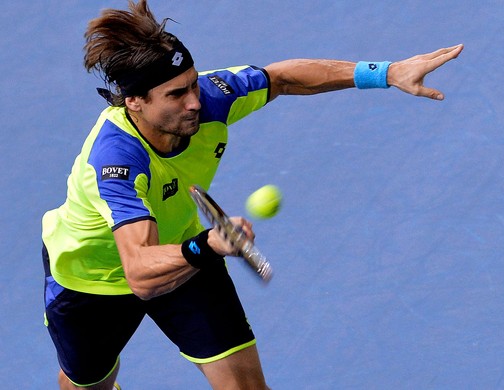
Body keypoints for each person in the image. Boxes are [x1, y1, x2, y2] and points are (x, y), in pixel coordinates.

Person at [41, 0, 464, 388]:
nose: (194, 102)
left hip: (185, 249)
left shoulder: (210, 99)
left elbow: (281, 77)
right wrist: (207, 244)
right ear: (134, 101)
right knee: (89, 383)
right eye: (176, 94)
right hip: (90, 280)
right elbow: (140, 272)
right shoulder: (117, 161)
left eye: (192, 84)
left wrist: (384, 73)